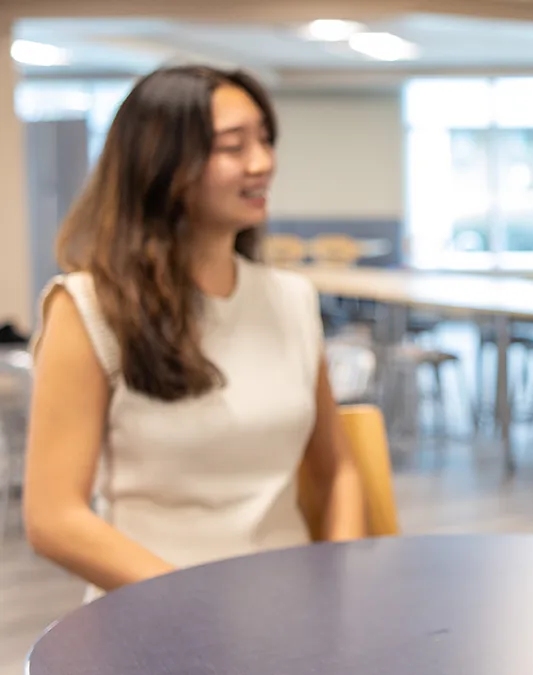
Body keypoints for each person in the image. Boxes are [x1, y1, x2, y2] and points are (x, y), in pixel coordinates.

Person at [23, 65, 366, 602]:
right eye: (233, 146)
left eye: (265, 140)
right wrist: (196, 608)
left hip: (286, 609)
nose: (263, 162)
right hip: (152, 611)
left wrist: (341, 587)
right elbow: (54, 518)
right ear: (161, 164)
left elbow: (337, 468)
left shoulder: (293, 299)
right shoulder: (88, 307)